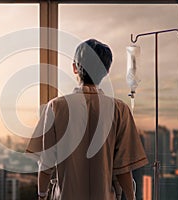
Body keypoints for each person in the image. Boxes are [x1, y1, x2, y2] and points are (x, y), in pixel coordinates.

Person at [26, 39, 148, 200]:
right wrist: (131, 197)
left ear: (75, 68)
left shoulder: (55, 107)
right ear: (106, 71)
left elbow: (46, 164)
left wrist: (42, 196)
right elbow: (124, 168)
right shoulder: (120, 110)